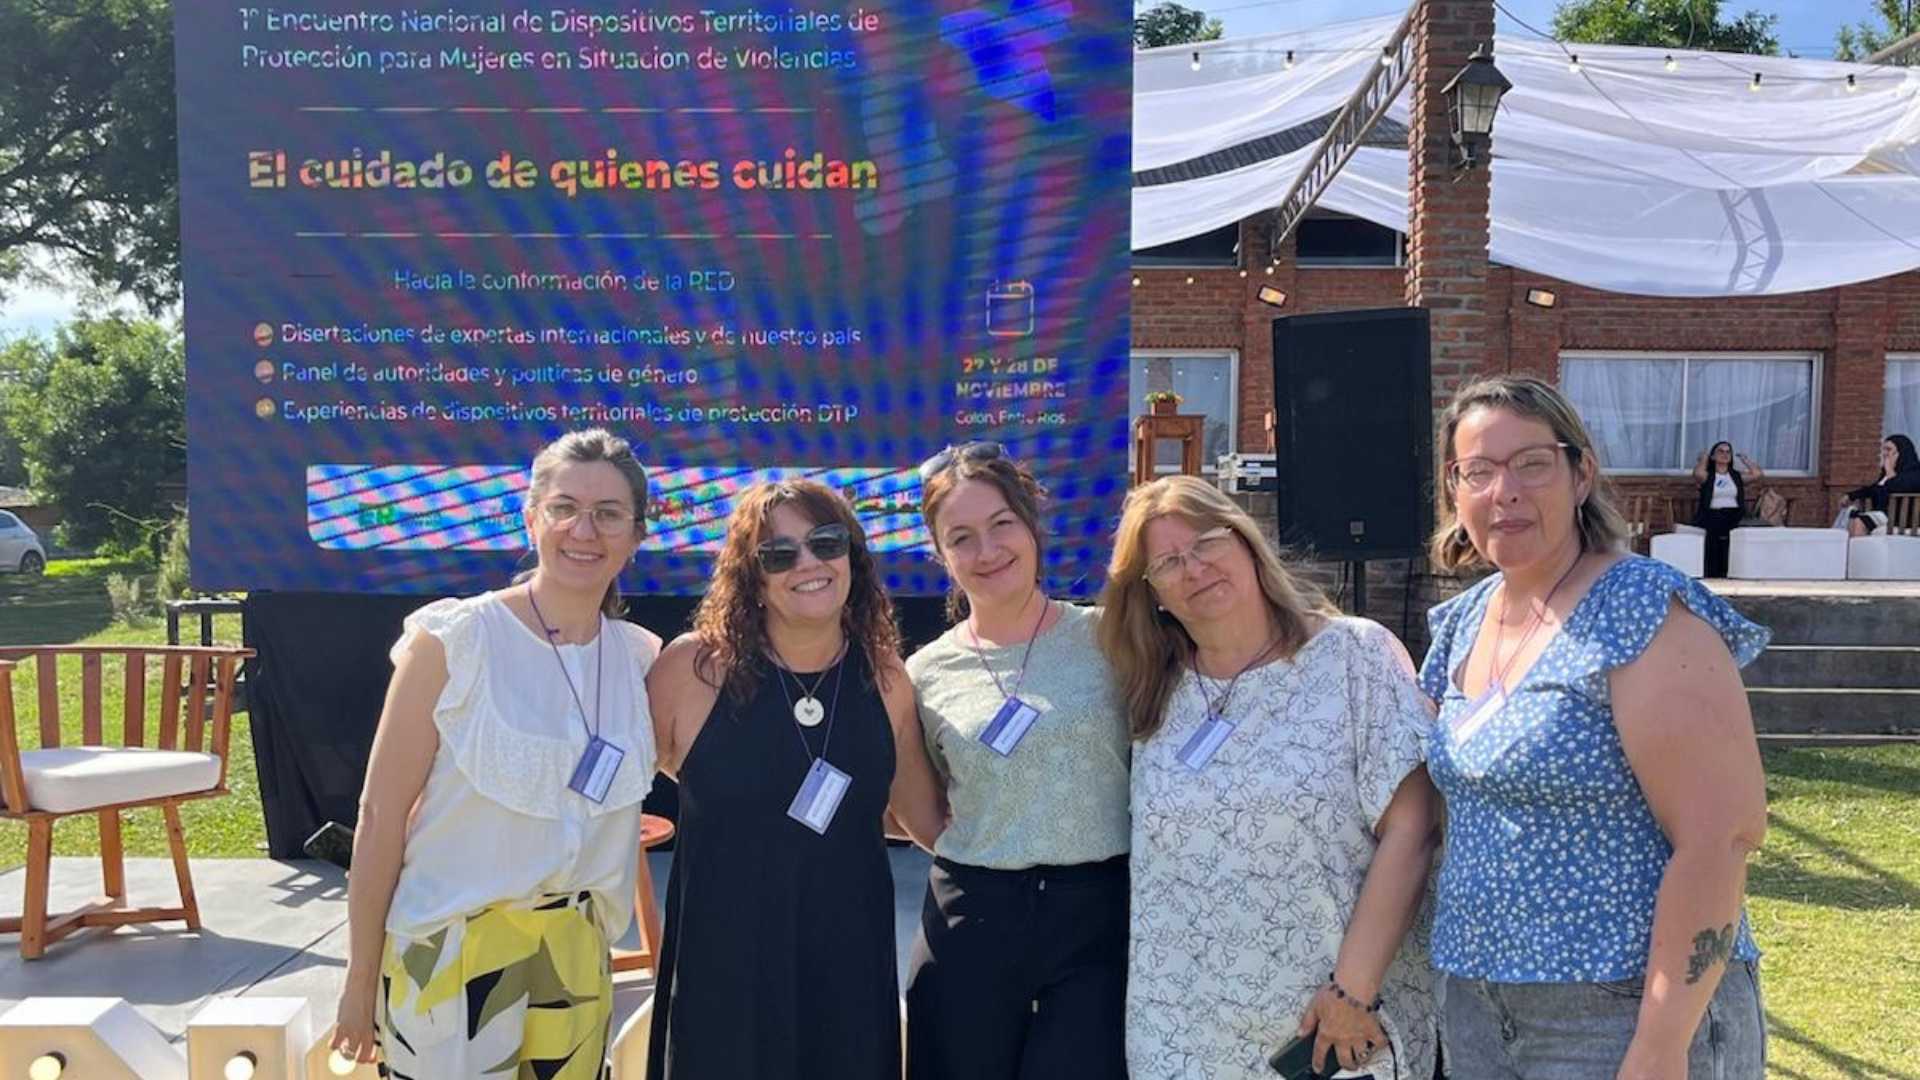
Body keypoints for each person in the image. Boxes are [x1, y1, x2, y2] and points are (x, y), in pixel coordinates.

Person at [1422, 376, 1770, 1079]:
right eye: (1478, 471)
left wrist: (1661, 1043)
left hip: (1618, 1012)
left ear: (1581, 474)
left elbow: (1722, 834)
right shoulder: (1463, 622)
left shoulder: (1639, 608)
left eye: (1532, 464)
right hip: (1477, 1008)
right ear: (1454, 491)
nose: (1504, 491)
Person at [330, 429, 661, 1078]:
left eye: (608, 513)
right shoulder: (455, 641)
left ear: (636, 535)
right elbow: (380, 816)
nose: (583, 530)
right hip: (449, 953)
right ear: (531, 518)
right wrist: (359, 978)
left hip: (576, 962)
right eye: (564, 508)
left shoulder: (640, 660)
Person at [1099, 475, 1440, 1080]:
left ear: (1246, 541)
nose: (1194, 568)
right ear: (1152, 594)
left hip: (1329, 1032)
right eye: (1168, 563)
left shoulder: (1353, 656)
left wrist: (1352, 992)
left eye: (1207, 542)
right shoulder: (1153, 691)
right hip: (1179, 1037)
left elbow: (1414, 829)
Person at [643, 479, 944, 1080]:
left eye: (825, 543)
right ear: (751, 578)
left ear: (851, 556)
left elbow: (925, 819)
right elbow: (617, 788)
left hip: (848, 971)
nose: (807, 563)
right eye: (778, 554)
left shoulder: (885, 677)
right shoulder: (692, 669)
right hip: (723, 972)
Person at [901, 442, 1131, 1080]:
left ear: (1032, 525)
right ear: (940, 554)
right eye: (962, 537)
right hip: (973, 918)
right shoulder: (924, 673)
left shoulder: (1112, 638)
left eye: (1002, 524)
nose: (988, 550)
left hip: (1097, 918)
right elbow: (921, 809)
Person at [1691, 441, 1764, 577]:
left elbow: (1757, 474)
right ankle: (1714, 572)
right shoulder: (1708, 475)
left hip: (1734, 514)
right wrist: (1704, 458)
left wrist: (1745, 460)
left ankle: (1730, 570)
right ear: (1713, 456)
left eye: (1728, 452)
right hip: (1713, 514)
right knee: (1716, 530)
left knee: (1731, 530)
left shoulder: (1735, 476)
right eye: (1720, 451)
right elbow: (1698, 473)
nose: (1725, 454)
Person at [1843, 434, 1920, 536]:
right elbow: (1874, 489)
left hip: (1903, 519)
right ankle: (1855, 546)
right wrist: (1851, 495)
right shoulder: (1887, 474)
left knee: (1860, 521)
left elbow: (1896, 487)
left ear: (1901, 453)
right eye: (1884, 450)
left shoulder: (1915, 473)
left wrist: (1889, 469)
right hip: (1884, 515)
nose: (1884, 453)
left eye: (1889, 450)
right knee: (1853, 519)